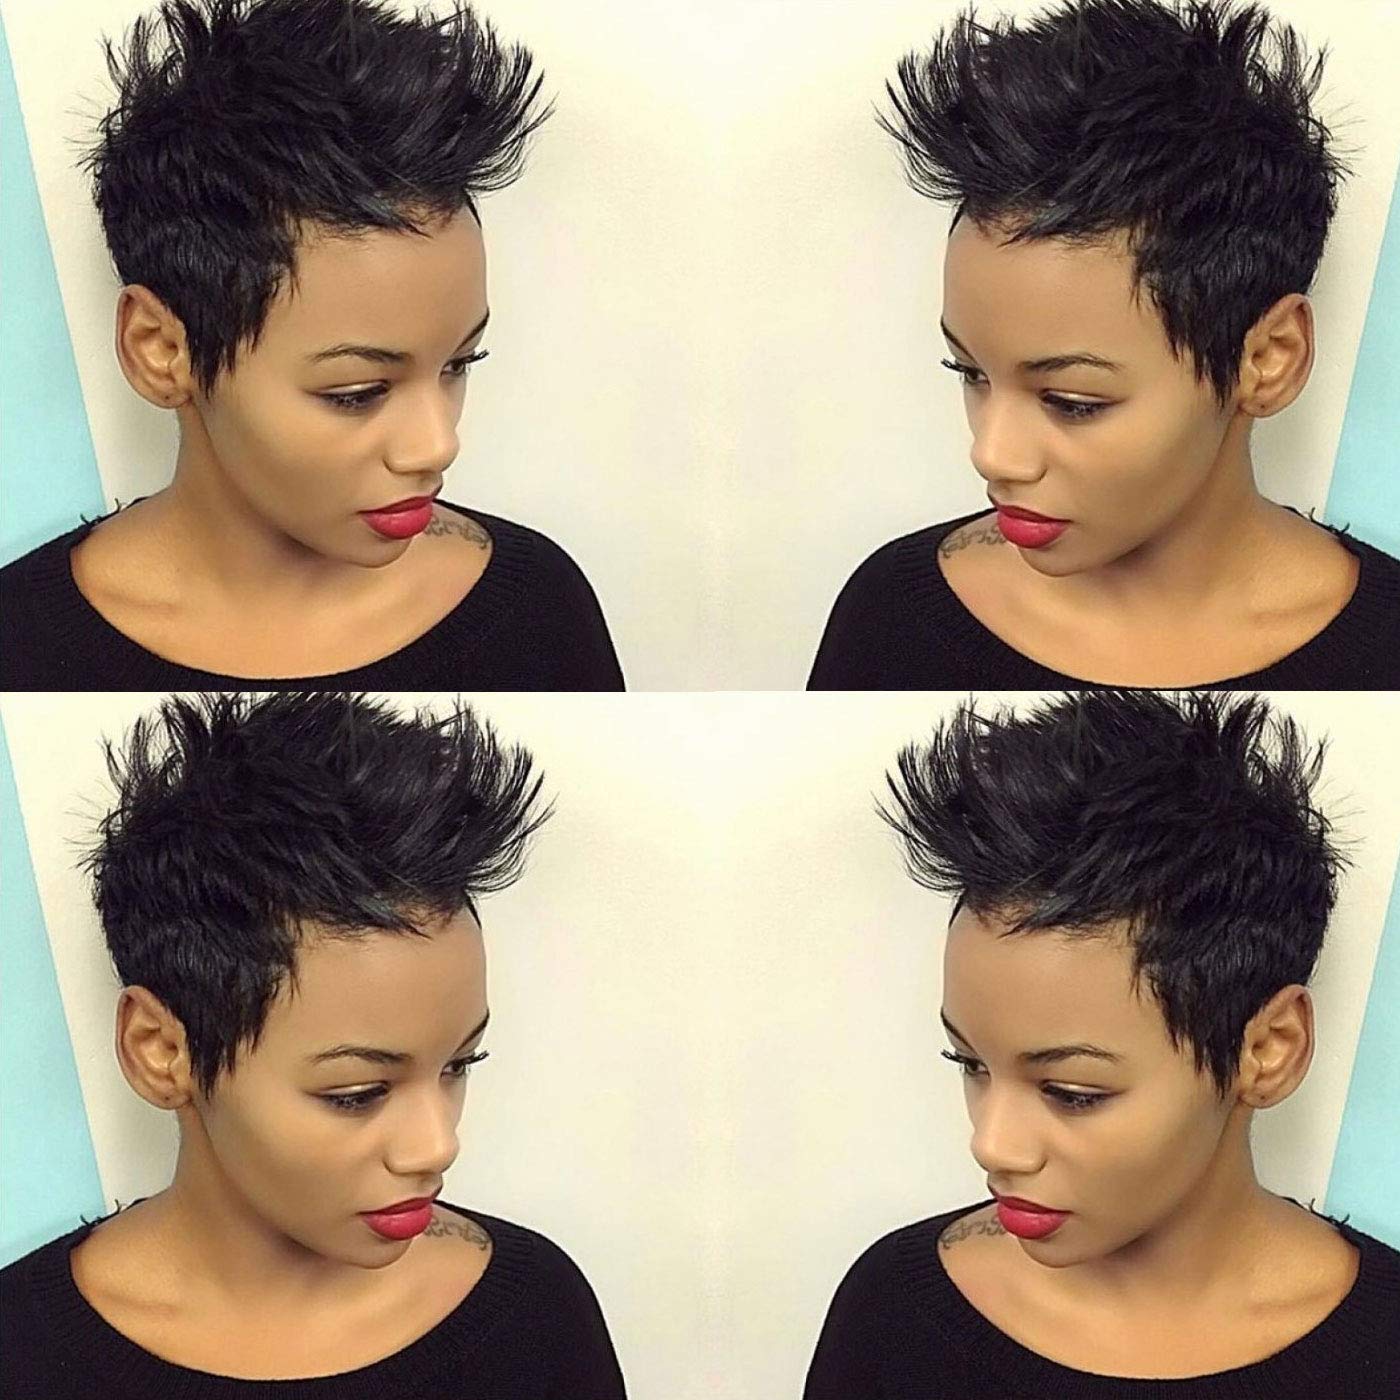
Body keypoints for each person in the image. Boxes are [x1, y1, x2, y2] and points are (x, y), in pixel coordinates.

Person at [0, 692, 627, 1399]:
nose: (436, 1146)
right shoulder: (20, 1356)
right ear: (161, 1051)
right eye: (357, 1094)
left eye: (459, 1064)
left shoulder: (535, 1318)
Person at [0, 0, 624, 691]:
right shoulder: (20, 650)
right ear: (162, 350)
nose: (437, 445)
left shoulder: (538, 612)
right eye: (357, 393)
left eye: (458, 363)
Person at [804, 691, 1400, 1397]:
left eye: (1072, 1093)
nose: (992, 1146)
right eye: (970, 1063)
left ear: (1267, 1050)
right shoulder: (894, 1317)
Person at [807, 0, 1400, 690]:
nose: (992, 454)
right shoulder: (892, 618)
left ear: (1268, 359)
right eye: (969, 372)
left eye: (1071, 401)